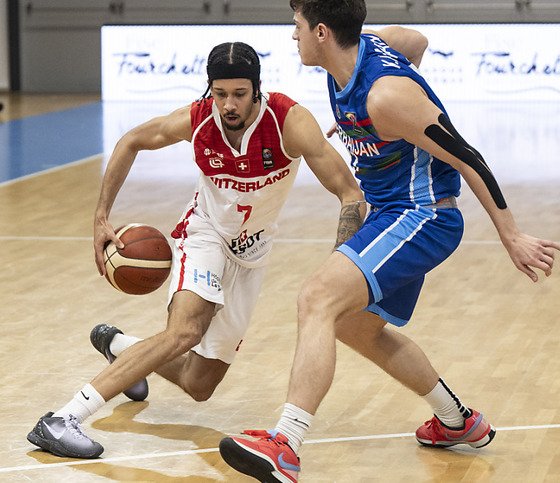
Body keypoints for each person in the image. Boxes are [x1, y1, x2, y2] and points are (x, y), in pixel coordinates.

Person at [217, 2, 560, 482]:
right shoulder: (359, 50)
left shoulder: (385, 97)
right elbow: (416, 42)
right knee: (356, 328)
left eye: (296, 26)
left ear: (321, 32)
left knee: (317, 298)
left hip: (421, 215)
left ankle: (286, 444)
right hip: (391, 213)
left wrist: (512, 235)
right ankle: (456, 420)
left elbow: (469, 157)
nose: (290, 35)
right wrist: (380, 126)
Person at [26, 41, 366, 459]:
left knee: (199, 384)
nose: (228, 104)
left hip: (253, 253)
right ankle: (62, 419)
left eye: (239, 94)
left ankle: (120, 347)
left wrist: (341, 264)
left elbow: (350, 193)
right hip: (204, 234)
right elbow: (132, 140)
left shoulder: (288, 121)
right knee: (186, 332)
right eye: (220, 94)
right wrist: (100, 216)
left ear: (256, 89)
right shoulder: (198, 119)